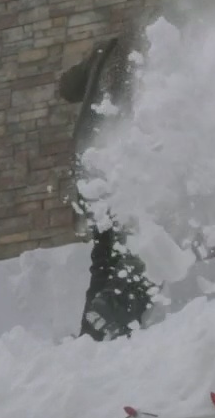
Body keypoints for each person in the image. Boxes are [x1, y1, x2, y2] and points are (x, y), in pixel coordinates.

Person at [57, 29, 159, 341]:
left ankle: (94, 332)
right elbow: (68, 88)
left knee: (110, 253)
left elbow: (67, 88)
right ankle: (106, 322)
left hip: (104, 172)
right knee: (124, 249)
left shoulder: (113, 55)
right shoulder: (119, 56)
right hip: (111, 171)